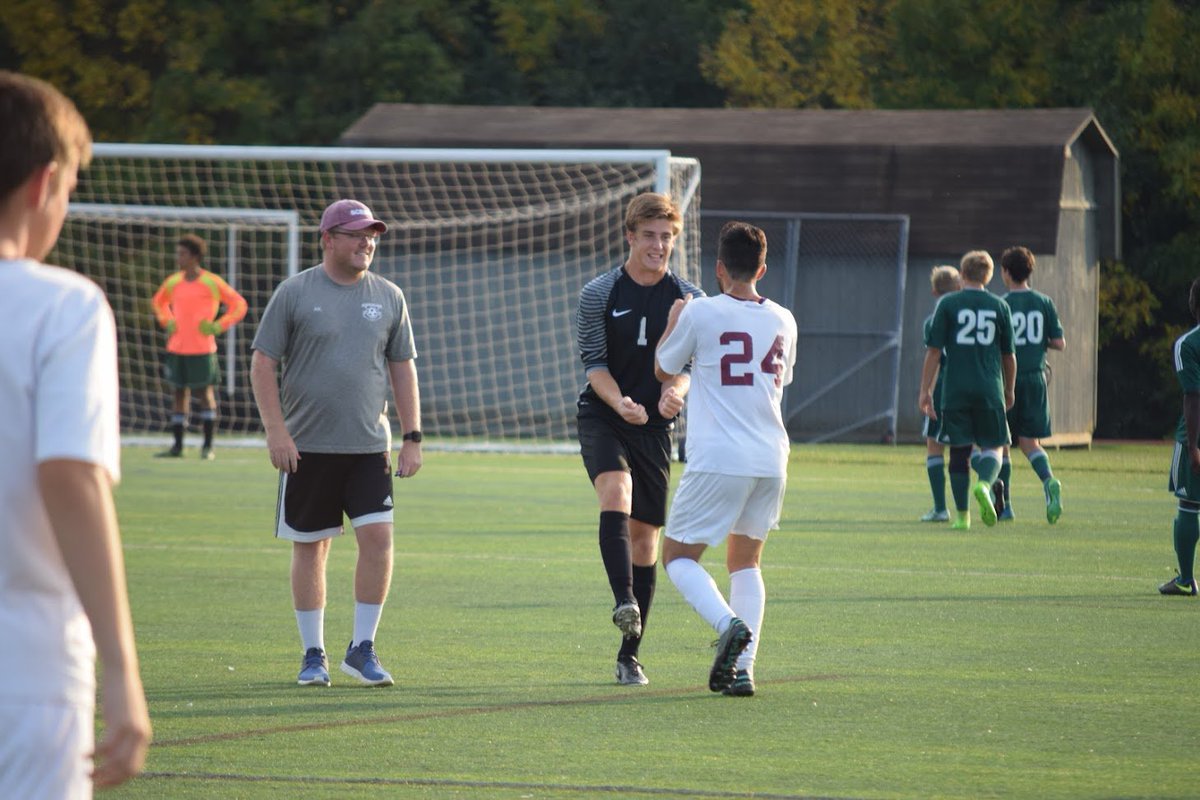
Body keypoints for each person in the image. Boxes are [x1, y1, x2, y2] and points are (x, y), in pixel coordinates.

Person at [0, 70, 151, 794]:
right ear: (43, 184)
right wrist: (122, 670)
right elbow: (70, 475)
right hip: (25, 665)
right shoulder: (63, 307)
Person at [250, 198, 423, 687]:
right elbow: (263, 364)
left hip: (370, 448)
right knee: (311, 548)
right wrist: (276, 432)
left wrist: (412, 436)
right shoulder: (295, 292)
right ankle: (313, 654)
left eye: (372, 234)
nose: (367, 241)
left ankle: (362, 648)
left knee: (379, 540)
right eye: (356, 233)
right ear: (328, 239)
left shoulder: (389, 295)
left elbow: (402, 367)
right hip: (307, 449)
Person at [655, 221, 797, 697]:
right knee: (745, 562)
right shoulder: (784, 318)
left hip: (720, 456)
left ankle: (727, 625)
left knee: (675, 556)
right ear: (762, 268)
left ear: (718, 268)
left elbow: (664, 367)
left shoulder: (702, 313)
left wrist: (676, 319)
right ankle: (744, 669)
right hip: (771, 457)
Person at [575, 192, 703, 686]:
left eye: (666, 237)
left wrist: (676, 392)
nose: (658, 245)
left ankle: (629, 654)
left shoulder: (691, 299)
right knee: (616, 492)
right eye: (649, 236)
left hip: (654, 428)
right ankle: (623, 599)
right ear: (630, 236)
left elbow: (690, 367)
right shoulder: (599, 293)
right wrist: (620, 402)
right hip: (604, 414)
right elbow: (595, 365)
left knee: (647, 540)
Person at [919, 249, 1016, 531]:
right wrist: (1009, 389)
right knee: (994, 445)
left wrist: (925, 390)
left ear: (963, 274)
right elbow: (1008, 355)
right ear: (989, 275)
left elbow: (934, 351)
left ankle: (962, 517)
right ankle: (985, 485)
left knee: (958, 452)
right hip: (989, 387)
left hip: (954, 388)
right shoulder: (1000, 306)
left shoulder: (948, 306)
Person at [151, 233, 248, 460]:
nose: (179, 258)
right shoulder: (174, 281)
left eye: (182, 254)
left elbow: (239, 304)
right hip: (177, 348)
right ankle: (177, 446)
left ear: (194, 257)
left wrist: (218, 326)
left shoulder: (211, 282)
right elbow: (158, 302)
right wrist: (167, 320)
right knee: (178, 393)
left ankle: (207, 446)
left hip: (203, 349)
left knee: (205, 394)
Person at [995, 246, 1065, 523]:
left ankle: (1007, 506)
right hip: (1036, 378)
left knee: (1001, 443)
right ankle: (1048, 482)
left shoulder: (1002, 304)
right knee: (1030, 443)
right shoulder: (1044, 302)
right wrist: (1038, 342)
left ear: (1006, 272)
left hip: (1007, 380)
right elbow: (1059, 343)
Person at [1160, 276, 1200, 596]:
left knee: (1189, 503)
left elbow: (1193, 396)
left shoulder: (1188, 344)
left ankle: (1186, 580)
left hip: (1196, 431)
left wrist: (1193, 445)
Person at [919, 265, 962, 522]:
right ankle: (992, 491)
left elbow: (934, 356)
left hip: (948, 387)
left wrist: (926, 391)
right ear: (959, 286)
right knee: (977, 447)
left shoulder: (934, 319)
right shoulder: (975, 311)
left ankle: (940, 508)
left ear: (935, 291)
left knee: (935, 446)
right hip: (982, 386)